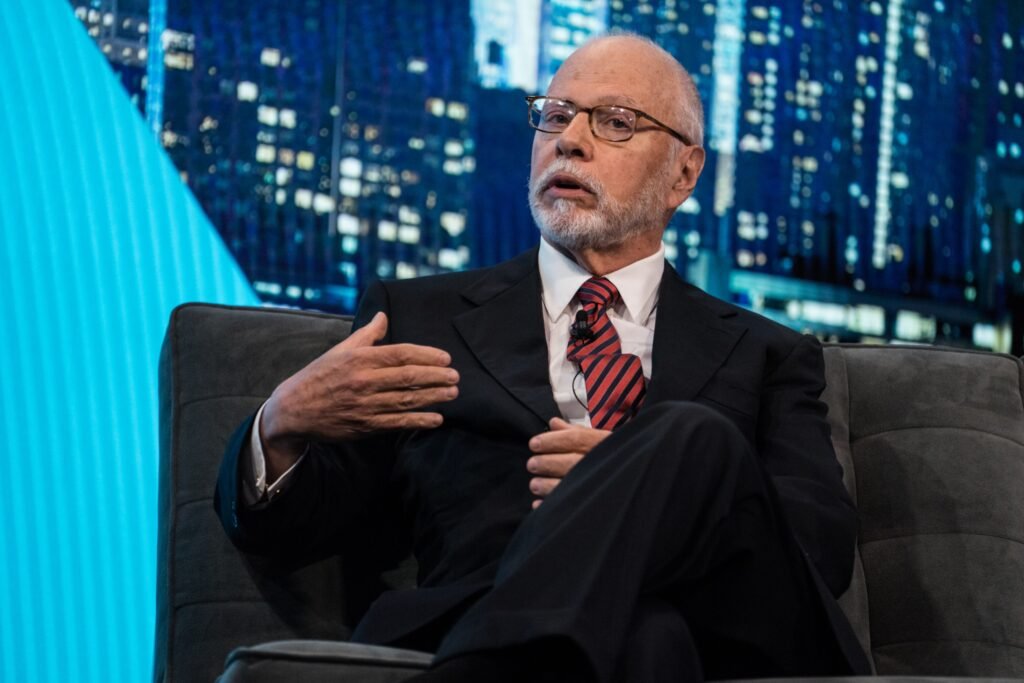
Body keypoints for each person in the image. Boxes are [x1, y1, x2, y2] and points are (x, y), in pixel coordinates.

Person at [215, 32, 871, 682]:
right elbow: (310, 527)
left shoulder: (768, 353)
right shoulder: (419, 319)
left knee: (692, 437)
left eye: (615, 122)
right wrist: (280, 424)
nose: (569, 140)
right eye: (555, 116)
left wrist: (638, 487)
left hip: (715, 628)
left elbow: (816, 546)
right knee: (648, 637)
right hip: (506, 616)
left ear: (684, 173)